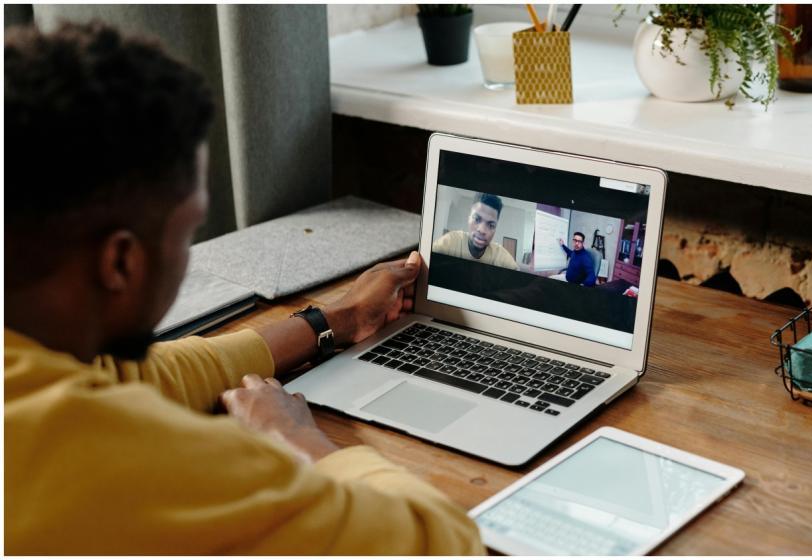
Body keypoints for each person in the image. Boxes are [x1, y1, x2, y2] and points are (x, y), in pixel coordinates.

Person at [4, 22, 484, 555]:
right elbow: (441, 544)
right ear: (120, 261)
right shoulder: (127, 458)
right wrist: (295, 438)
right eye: (187, 231)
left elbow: (134, 374)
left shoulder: (31, 360)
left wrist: (333, 320)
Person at [433, 192, 519, 270]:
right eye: (477, 219)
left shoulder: (500, 256)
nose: (481, 230)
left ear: (495, 228)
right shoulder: (451, 241)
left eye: (491, 225)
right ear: (468, 218)